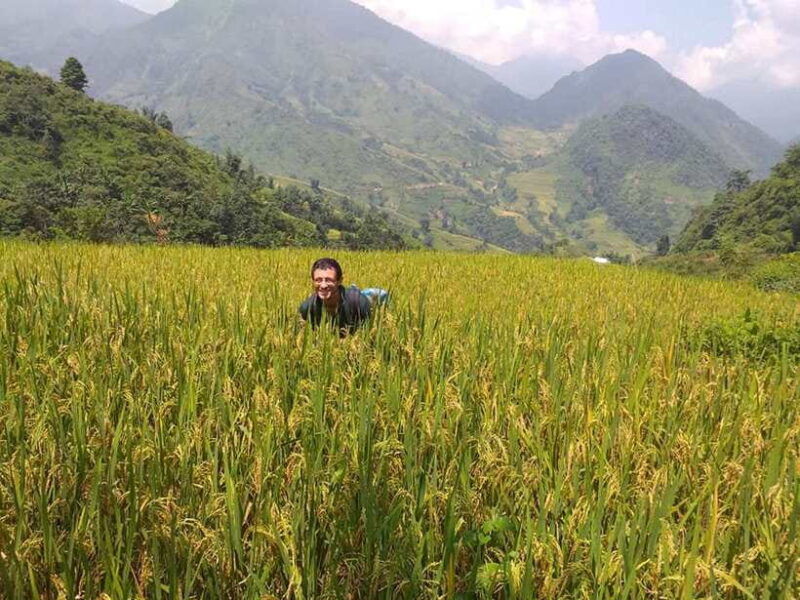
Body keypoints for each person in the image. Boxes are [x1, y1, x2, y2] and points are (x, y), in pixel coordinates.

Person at [299, 258, 372, 336]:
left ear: (340, 281)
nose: (323, 285)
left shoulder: (359, 303)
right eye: (318, 280)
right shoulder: (307, 308)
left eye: (329, 280)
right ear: (313, 282)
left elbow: (370, 333)